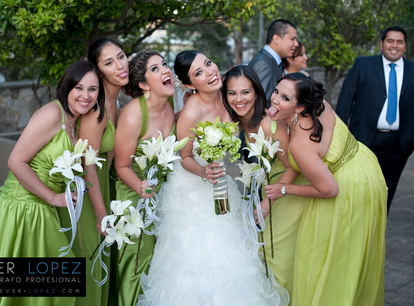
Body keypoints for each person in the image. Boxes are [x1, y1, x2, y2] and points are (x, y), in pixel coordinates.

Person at [137, 50, 289, 306]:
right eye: (198, 72)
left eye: (208, 63)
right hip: (190, 189)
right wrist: (203, 171)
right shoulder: (191, 111)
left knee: (232, 251)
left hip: (222, 184)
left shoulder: (230, 95)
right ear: (188, 85)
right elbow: (185, 156)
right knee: (198, 256)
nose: (209, 72)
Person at [0, 60, 105, 306]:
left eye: (92, 89)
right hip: (23, 207)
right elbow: (16, 161)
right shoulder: (52, 114)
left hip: (42, 208)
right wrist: (52, 197)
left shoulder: (75, 120)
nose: (85, 95)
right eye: (79, 88)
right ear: (66, 87)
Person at [265, 73, 387, 306]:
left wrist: (284, 189)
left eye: (285, 98)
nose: (275, 100)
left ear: (300, 107)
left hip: (348, 185)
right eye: (276, 91)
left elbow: (329, 189)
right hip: (365, 164)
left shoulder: (301, 144)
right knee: (356, 248)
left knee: (331, 257)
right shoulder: (320, 105)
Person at [221, 65, 308, 300]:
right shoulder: (238, 122)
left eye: (245, 92)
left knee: (275, 257)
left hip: (280, 195)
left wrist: (268, 201)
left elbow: (293, 166)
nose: (239, 99)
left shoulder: (271, 125)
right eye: (232, 93)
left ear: (257, 93)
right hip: (260, 192)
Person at [57, 38, 128, 306]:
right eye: (109, 62)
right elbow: (88, 167)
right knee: (88, 262)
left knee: (98, 264)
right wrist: (101, 213)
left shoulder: (113, 101)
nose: (120, 65)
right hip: (89, 196)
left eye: (121, 56)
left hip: (104, 189)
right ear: (98, 71)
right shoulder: (95, 110)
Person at [109, 50, 175, 306]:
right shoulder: (134, 115)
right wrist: (140, 186)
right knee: (137, 258)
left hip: (160, 193)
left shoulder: (169, 103)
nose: (166, 70)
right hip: (133, 194)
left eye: (164, 65)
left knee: (158, 260)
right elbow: (122, 165)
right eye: (156, 69)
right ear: (144, 84)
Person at [336, 26, 414, 212]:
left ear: (405, 45)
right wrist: (338, 137)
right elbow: (345, 101)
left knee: (387, 191)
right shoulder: (362, 65)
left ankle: (376, 232)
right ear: (381, 44)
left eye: (399, 41)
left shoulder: (413, 70)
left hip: (399, 143)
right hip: (364, 139)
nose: (394, 45)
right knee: (360, 188)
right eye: (390, 41)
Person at [248, 19, 299, 104]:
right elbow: (263, 104)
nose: (296, 44)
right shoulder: (263, 64)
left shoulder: (271, 61)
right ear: (276, 39)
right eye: (292, 39)